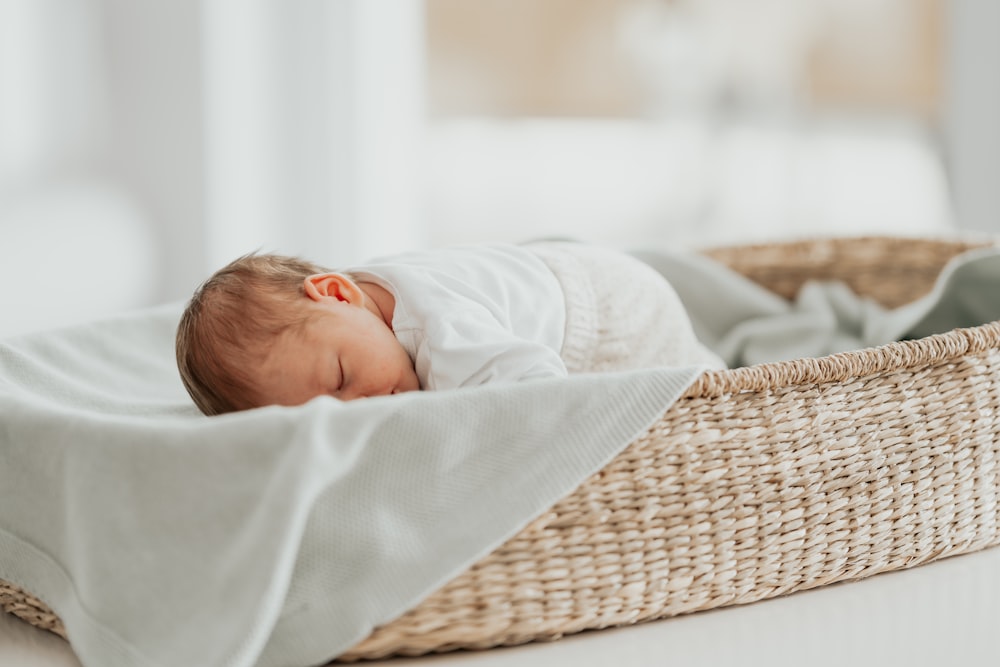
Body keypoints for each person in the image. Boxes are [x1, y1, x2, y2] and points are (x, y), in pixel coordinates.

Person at [175, 241, 724, 415]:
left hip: (619, 317)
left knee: (699, 392)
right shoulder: (363, 311)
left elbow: (549, 406)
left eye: (342, 375)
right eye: (330, 413)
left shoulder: (446, 338)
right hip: (575, 270)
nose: (363, 404)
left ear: (338, 292)